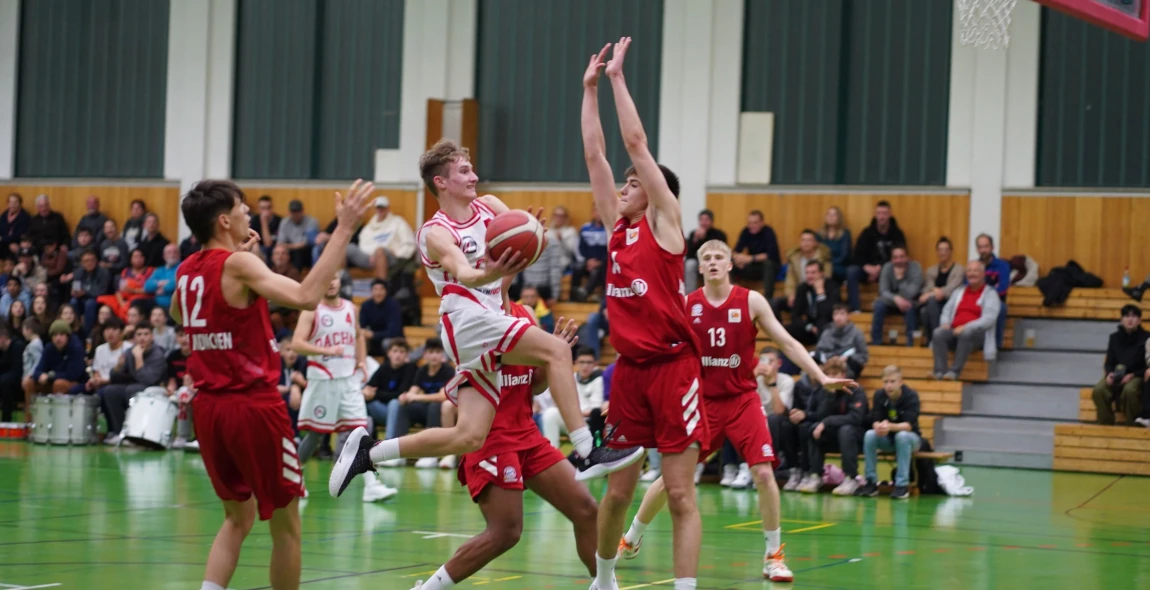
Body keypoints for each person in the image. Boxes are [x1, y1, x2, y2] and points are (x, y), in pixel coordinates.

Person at [329, 139, 641, 499]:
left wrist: (531, 240)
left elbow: (509, 266)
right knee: (556, 350)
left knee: (469, 435)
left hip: (488, 315)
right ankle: (587, 450)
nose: (474, 175)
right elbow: (465, 273)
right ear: (441, 183)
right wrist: (490, 272)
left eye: (472, 167)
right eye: (464, 171)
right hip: (463, 319)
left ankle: (369, 450)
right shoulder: (436, 232)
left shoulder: (490, 206)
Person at [174, 177, 373, 590]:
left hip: (209, 409)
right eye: (243, 207)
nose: (249, 212)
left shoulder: (187, 269)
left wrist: (238, 272)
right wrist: (345, 228)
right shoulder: (240, 265)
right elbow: (304, 295)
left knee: (238, 517)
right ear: (225, 220)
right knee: (286, 525)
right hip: (252, 407)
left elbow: (181, 315)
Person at [616, 240, 854, 583]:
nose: (713, 262)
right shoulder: (685, 305)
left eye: (719, 258)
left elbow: (786, 341)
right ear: (699, 268)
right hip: (702, 404)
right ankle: (634, 535)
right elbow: (656, 347)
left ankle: (774, 556)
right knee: (673, 480)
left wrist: (819, 376)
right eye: (707, 258)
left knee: (763, 474)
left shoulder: (751, 301)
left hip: (742, 400)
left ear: (730, 265)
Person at [580, 38, 707, 590]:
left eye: (635, 182)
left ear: (654, 193)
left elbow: (632, 144)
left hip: (675, 368)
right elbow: (596, 155)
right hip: (628, 372)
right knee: (618, 491)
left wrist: (615, 80)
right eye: (626, 183)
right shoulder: (617, 228)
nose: (625, 186)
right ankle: (604, 578)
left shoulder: (665, 224)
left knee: (679, 492)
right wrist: (587, 91)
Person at [410, 303, 598, 590]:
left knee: (586, 509)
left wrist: (553, 356)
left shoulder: (525, 314)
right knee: (505, 532)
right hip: (490, 437)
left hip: (527, 434)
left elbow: (533, 386)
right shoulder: (471, 316)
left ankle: (605, 584)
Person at [292, 276, 396, 503]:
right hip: (322, 380)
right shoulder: (311, 310)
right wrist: (328, 351)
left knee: (361, 430)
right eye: (326, 277)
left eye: (334, 278)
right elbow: (297, 344)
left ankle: (371, 486)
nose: (330, 282)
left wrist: (360, 360)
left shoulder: (351, 308)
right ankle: (293, 478)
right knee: (315, 435)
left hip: (348, 380)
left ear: (341, 282)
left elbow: (358, 335)